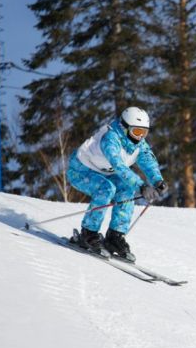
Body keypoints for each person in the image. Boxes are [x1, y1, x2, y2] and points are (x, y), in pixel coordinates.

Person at [67, 106, 168, 261]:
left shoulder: (139, 144)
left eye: (144, 133)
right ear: (124, 127)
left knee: (126, 188)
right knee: (106, 189)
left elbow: (148, 161)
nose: (140, 137)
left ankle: (115, 236)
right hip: (81, 170)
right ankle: (88, 234)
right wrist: (141, 186)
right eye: (137, 132)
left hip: (105, 171)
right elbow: (120, 167)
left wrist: (157, 180)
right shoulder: (110, 139)